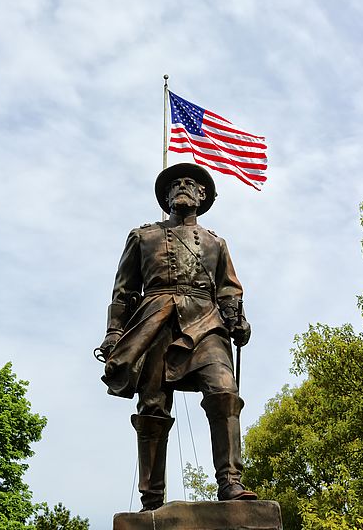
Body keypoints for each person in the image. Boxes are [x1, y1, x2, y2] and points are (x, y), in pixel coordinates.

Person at [95, 162, 257, 511]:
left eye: (191, 184)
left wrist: (238, 320)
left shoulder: (216, 243)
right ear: (166, 196)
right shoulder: (143, 237)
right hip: (155, 322)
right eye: (175, 184)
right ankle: (151, 499)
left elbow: (229, 291)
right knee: (152, 407)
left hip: (206, 323)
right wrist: (114, 333)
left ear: (202, 196)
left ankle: (230, 481)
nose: (183, 187)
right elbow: (123, 292)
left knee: (225, 392)